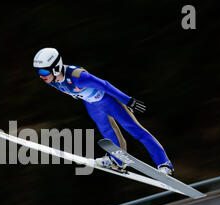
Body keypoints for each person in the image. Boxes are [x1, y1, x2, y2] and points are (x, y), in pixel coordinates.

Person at [33, 47, 174, 176]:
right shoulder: (52, 81)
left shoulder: (77, 76)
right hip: (92, 104)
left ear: (56, 67)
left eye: (44, 71)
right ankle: (117, 161)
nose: (41, 76)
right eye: (38, 72)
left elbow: (105, 85)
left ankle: (164, 163)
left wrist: (128, 101)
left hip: (108, 100)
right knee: (107, 131)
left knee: (134, 129)